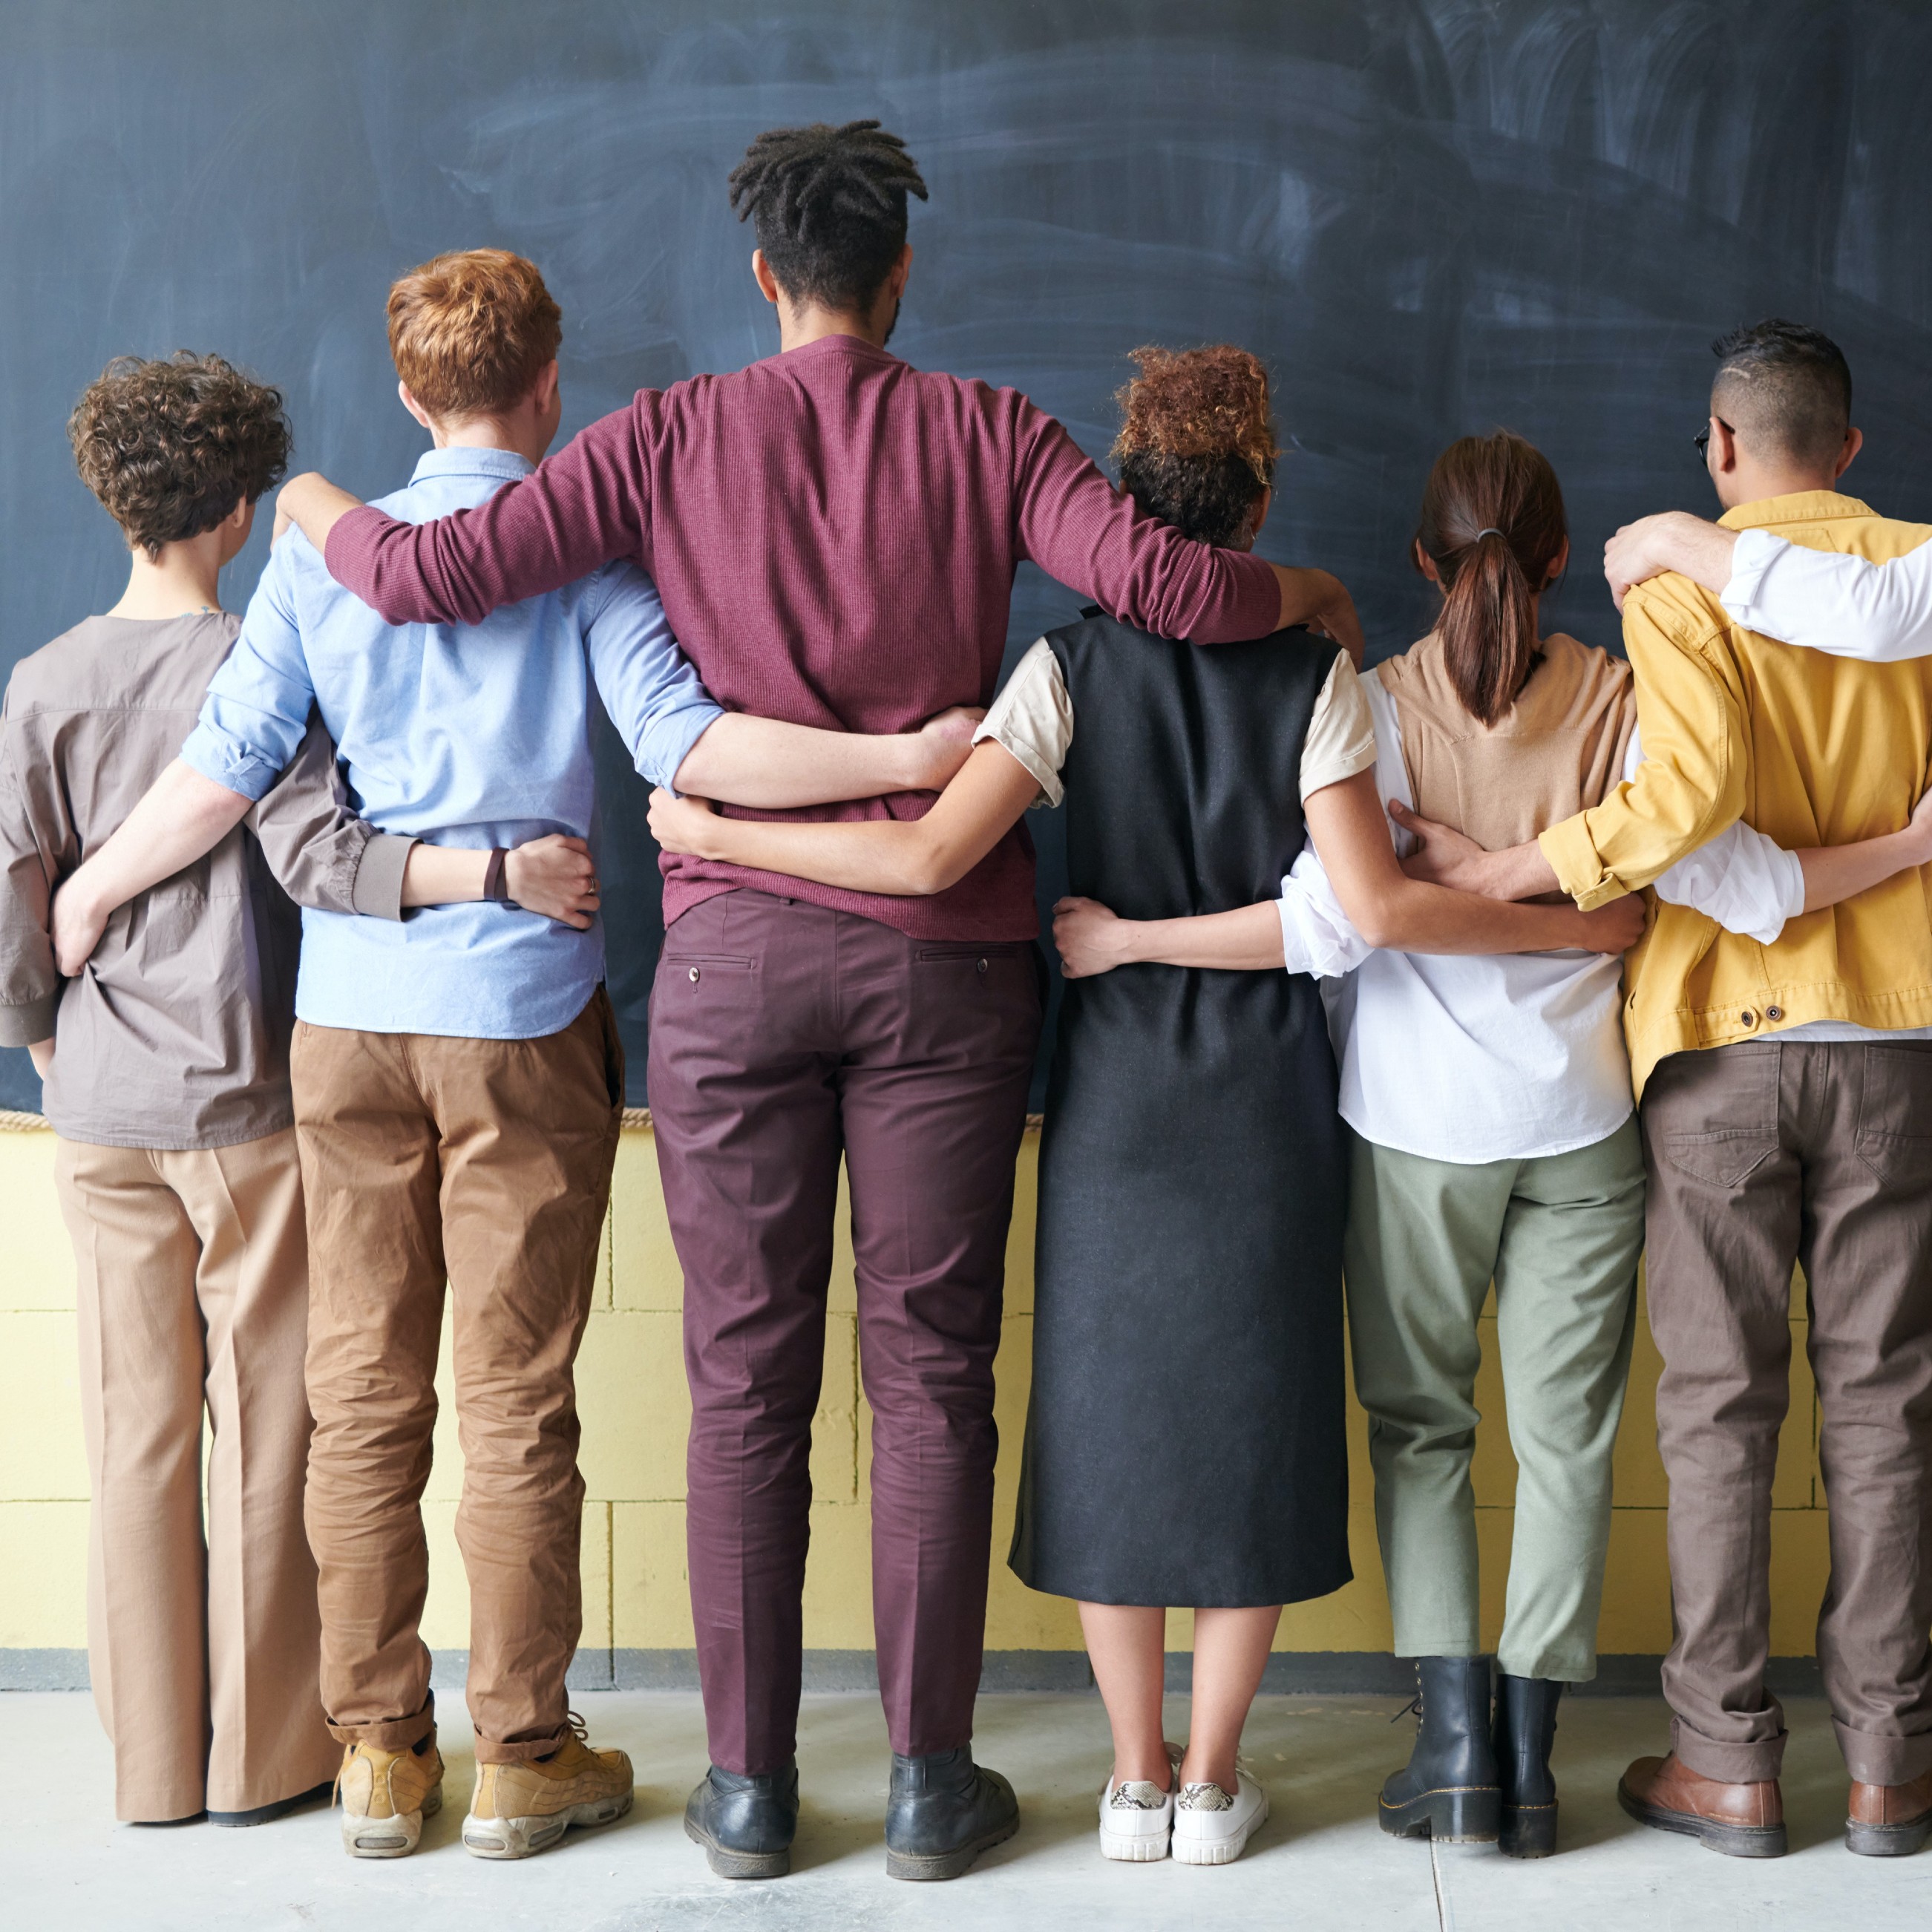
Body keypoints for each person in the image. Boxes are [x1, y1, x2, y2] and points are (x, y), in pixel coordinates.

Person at [271, 125, 1366, 1883]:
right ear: (902, 274)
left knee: (742, 1383)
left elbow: (424, 577)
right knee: (934, 1379)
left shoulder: (661, 437)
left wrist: (316, 499)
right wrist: (1308, 594)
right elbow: (1167, 588)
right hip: (942, 972)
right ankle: (933, 1786)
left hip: (729, 963)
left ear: (764, 280)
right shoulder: (992, 432)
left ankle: (749, 1794)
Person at [646, 347, 1647, 1867]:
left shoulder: (1062, 669)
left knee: (1109, 1420)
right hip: (1265, 1092)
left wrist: (717, 830)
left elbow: (924, 862)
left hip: (1112, 1091)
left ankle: (1130, 1778)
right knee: (1251, 1416)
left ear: (1120, 507)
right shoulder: (1315, 671)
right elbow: (1353, 905)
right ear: (1258, 502)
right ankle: (1214, 1777)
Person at [50, 252, 983, 1863]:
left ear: (413, 394)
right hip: (524, 1018)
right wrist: (906, 762)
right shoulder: (591, 563)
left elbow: (222, 776)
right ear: (550, 385)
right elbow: (690, 746)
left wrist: (88, 887)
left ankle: (377, 1759)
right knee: (514, 1397)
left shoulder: (320, 567)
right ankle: (525, 1752)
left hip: (347, 1015)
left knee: (359, 1394)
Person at [1241, 430, 1932, 1858]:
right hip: (1585, 1117)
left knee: (1422, 1428)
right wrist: (1568, 918)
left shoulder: (1364, 705)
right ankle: (1539, 1760)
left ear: (1425, 563)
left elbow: (1336, 920)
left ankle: (1453, 1752)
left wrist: (1443, 886)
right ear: (1564, 562)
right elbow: (1658, 898)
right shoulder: (1626, 696)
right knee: (1573, 1444)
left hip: (1415, 1126)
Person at [0, 353, 590, 1830]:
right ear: (248, 504)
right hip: (257, 1095)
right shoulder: (274, 641)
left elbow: (19, 887)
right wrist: (492, 874)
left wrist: (49, 1029)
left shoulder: (45, 679)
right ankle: (269, 1758)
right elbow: (320, 851)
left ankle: (150, 1768)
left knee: (136, 1438)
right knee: (283, 1428)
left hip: (104, 1100)